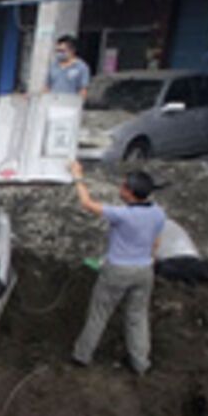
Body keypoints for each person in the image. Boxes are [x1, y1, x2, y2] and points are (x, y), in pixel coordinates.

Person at [69, 159, 166, 375]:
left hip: (118, 271)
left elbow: (87, 203)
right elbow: (156, 243)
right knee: (138, 316)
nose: (120, 188)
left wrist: (77, 176)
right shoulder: (158, 213)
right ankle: (141, 363)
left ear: (130, 193)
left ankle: (81, 356)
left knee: (99, 314)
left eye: (123, 186)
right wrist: (150, 260)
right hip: (144, 271)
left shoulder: (123, 215)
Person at [46, 35, 90, 100]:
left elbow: (83, 90)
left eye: (62, 51)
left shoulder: (81, 67)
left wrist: (78, 104)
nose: (59, 53)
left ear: (72, 50)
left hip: (70, 105)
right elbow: (47, 86)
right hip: (53, 103)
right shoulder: (53, 65)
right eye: (57, 51)